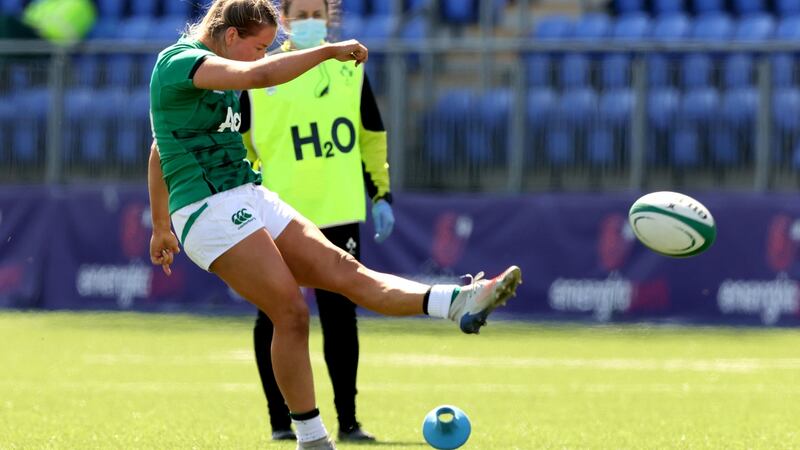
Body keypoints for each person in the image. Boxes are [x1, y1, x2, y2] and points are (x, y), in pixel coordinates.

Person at [147, 1, 522, 449]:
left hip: (248, 193)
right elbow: (258, 79)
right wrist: (327, 52)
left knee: (349, 276)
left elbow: (158, 148)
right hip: (208, 211)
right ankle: (312, 437)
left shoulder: (221, 70)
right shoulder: (179, 63)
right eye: (260, 47)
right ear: (231, 37)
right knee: (290, 313)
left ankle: (458, 301)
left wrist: (158, 224)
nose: (263, 56)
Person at [239, 0, 391, 442]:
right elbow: (242, 142)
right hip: (277, 214)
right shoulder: (258, 74)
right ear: (283, 19)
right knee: (274, 315)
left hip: (337, 209)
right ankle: (280, 422)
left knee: (341, 318)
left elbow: (371, 134)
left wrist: (382, 193)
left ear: (331, 17)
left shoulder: (351, 68)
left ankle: (348, 421)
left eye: (316, 14)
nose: (309, 22)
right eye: (300, 15)